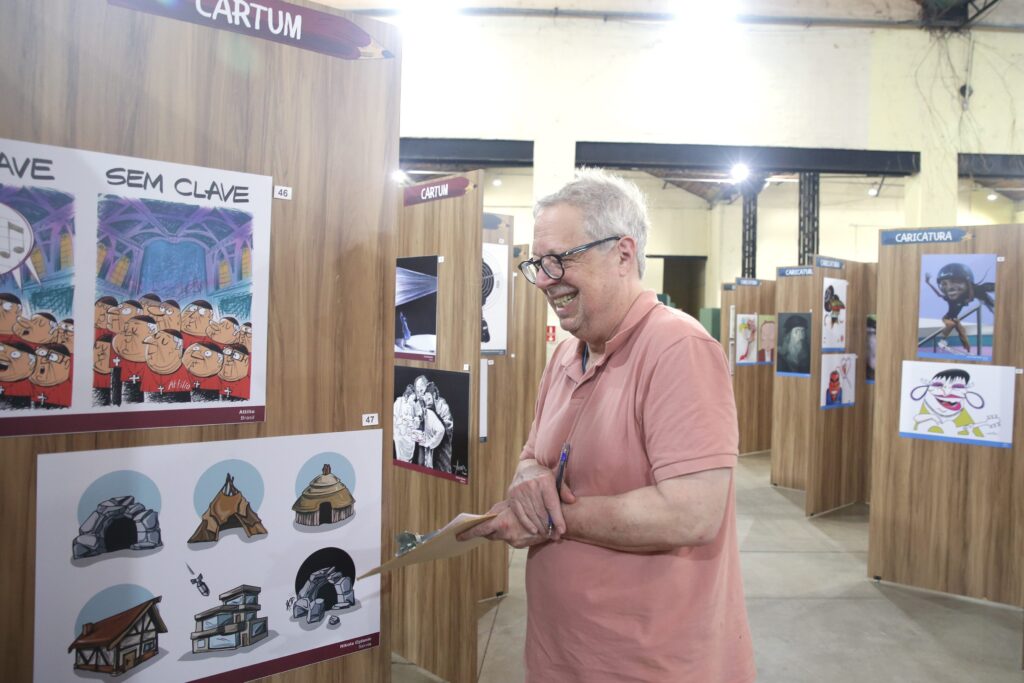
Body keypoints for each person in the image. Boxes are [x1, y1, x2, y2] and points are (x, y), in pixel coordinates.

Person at [460, 170, 754, 682]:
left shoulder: (678, 349)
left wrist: (547, 518)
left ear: (623, 254)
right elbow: (534, 456)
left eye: (560, 259)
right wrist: (528, 481)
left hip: (648, 662)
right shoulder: (566, 356)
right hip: (562, 653)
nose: (546, 279)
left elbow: (691, 515)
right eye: (537, 264)